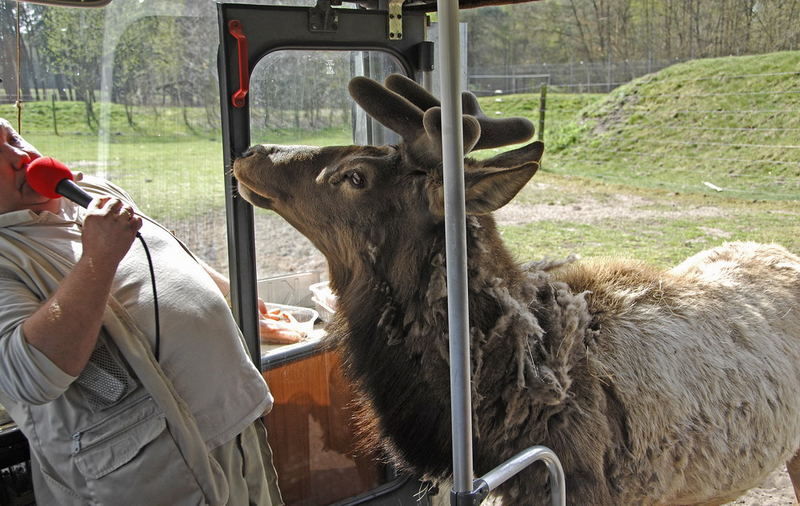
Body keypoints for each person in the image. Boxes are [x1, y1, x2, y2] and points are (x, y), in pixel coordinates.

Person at [0, 117, 285, 505]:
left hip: (233, 422)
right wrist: (98, 256)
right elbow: (29, 375)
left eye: (13, 138)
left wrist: (231, 293)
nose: (19, 156)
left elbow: (157, 247)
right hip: (149, 470)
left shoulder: (90, 192)